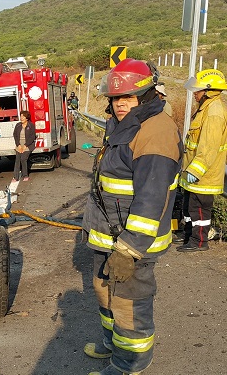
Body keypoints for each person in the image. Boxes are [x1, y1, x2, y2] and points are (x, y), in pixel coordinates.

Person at [82, 59, 182, 375]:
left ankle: (129, 364)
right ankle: (112, 343)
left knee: (129, 304)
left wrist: (129, 248)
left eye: (128, 97)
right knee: (104, 290)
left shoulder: (156, 132)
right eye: (115, 98)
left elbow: (152, 199)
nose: (120, 103)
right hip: (108, 236)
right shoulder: (124, 125)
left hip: (131, 244)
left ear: (147, 94)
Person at [174, 69, 227, 252]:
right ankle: (190, 237)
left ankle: (200, 242)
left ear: (209, 91)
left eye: (197, 90)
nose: (194, 93)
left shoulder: (214, 112)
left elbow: (209, 148)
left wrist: (195, 171)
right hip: (194, 172)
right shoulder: (205, 108)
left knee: (199, 211)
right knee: (190, 208)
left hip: (204, 175)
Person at [12, 110, 36, 182]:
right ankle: (16, 177)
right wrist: (18, 145)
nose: (21, 118)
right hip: (19, 145)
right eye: (21, 116)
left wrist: (25, 145)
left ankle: (25, 175)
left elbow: (32, 137)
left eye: (23, 116)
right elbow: (15, 135)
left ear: (27, 118)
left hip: (28, 145)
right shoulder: (18, 125)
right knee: (17, 160)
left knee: (23, 158)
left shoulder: (31, 125)